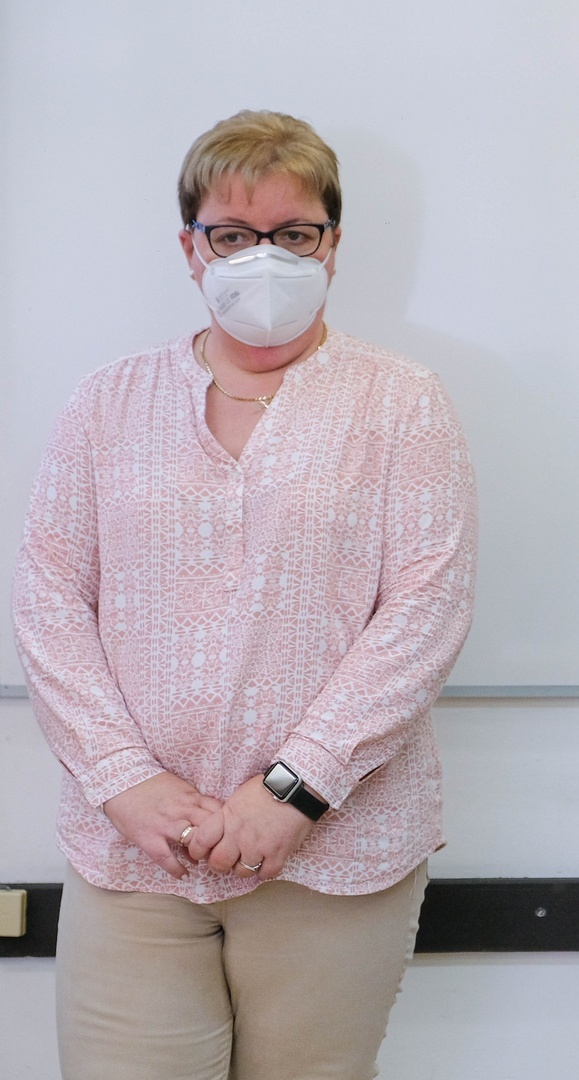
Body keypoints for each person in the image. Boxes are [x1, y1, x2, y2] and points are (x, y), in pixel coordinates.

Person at [11, 110, 477, 1079]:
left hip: (335, 852)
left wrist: (295, 790)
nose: (264, 259)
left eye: (293, 233)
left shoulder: (402, 402)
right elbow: (49, 599)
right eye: (232, 235)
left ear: (333, 245)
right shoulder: (107, 402)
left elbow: (425, 610)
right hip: (137, 851)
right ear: (191, 247)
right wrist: (122, 780)